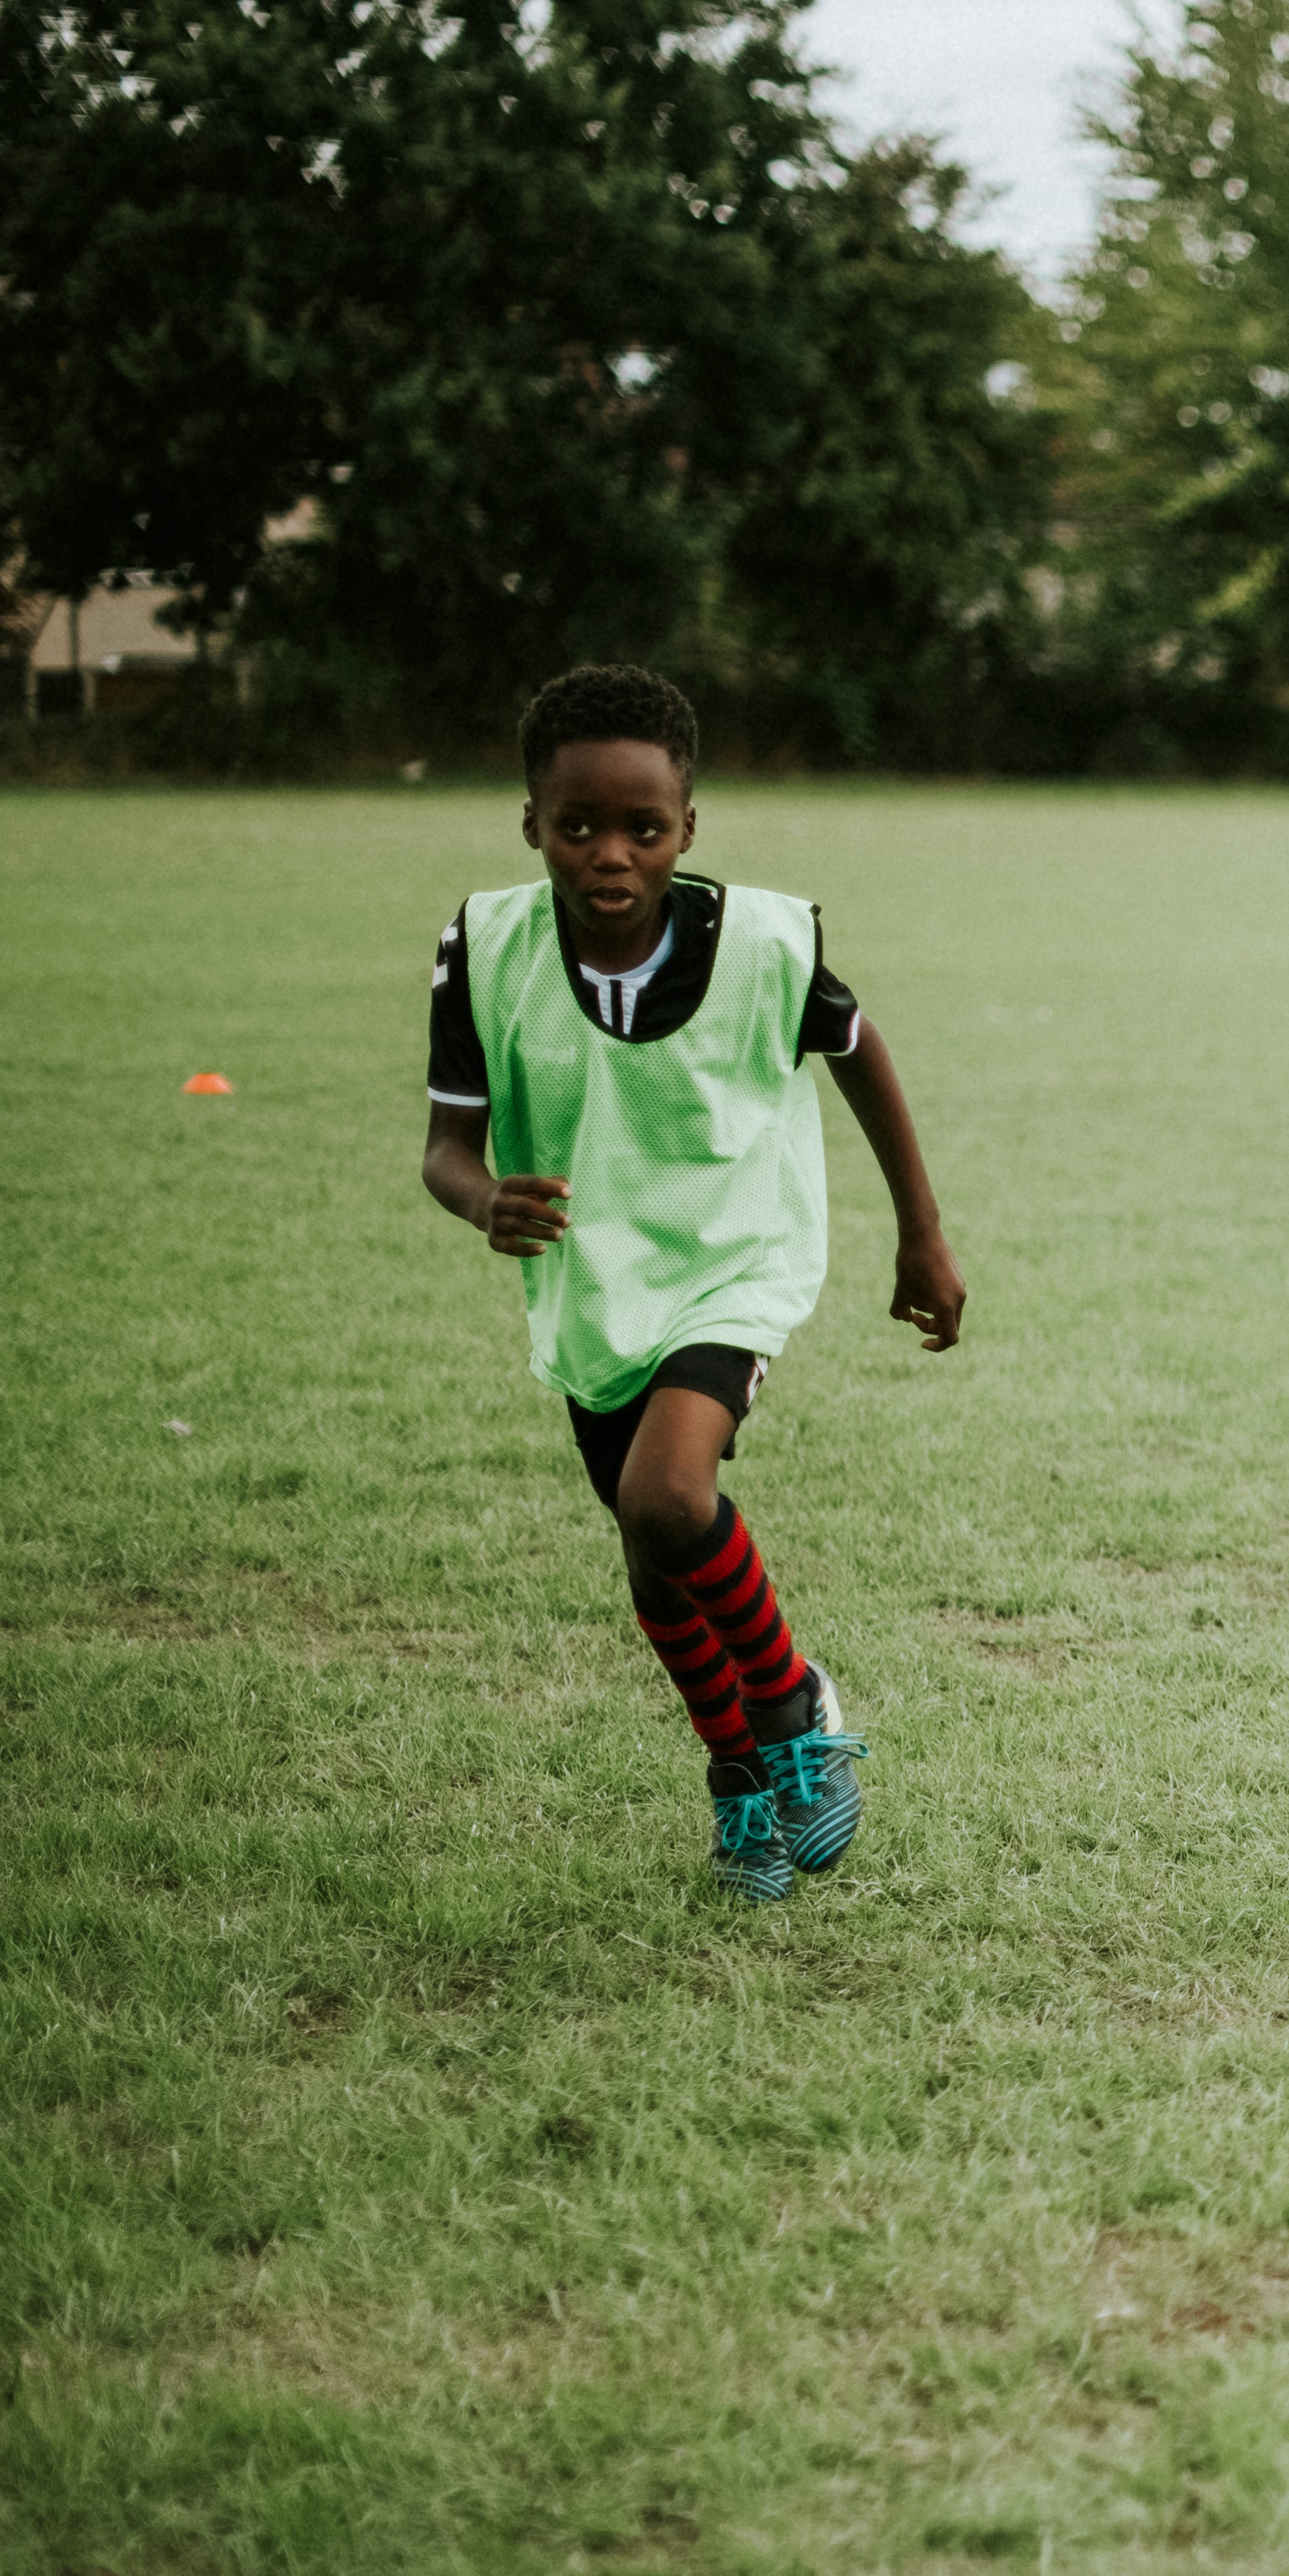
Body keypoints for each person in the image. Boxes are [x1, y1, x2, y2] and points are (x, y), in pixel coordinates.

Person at [424, 664, 968, 1900]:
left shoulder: (761, 943)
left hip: (736, 1256)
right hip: (595, 1281)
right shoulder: (487, 948)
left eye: (643, 828)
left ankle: (795, 1709)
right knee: (652, 1561)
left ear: (687, 829)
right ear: (531, 825)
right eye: (577, 827)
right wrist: (483, 1199)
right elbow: (447, 1148)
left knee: (669, 1497)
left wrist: (920, 1233)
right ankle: (743, 1786)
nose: (609, 853)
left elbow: (859, 1054)